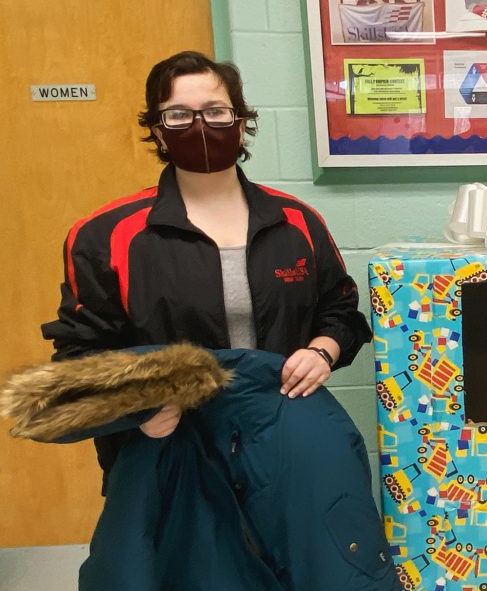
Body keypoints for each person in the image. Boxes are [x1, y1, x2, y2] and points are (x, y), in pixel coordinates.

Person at [42, 49, 372, 476]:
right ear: (158, 132)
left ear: (240, 123)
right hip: (167, 453)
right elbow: (80, 357)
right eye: (179, 115)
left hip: (280, 443)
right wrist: (135, 410)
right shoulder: (106, 235)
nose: (200, 126)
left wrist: (321, 353)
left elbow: (340, 311)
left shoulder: (296, 222)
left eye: (216, 112)